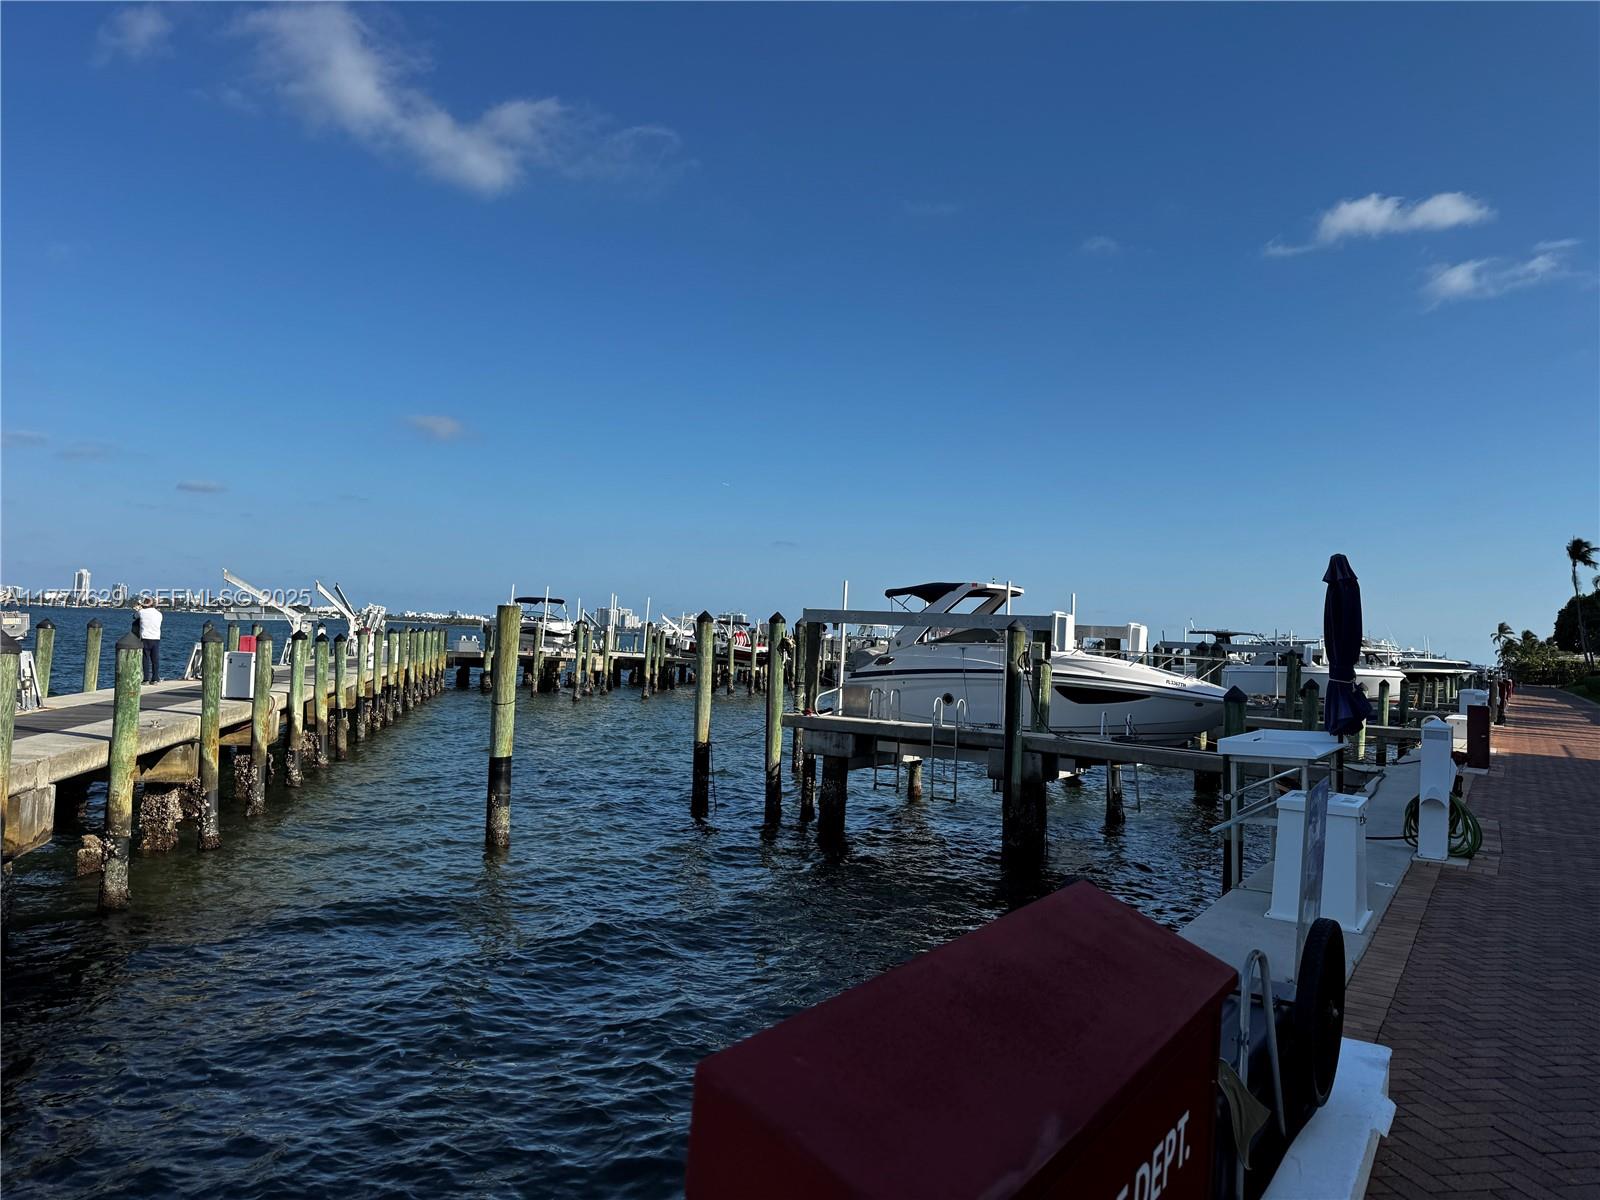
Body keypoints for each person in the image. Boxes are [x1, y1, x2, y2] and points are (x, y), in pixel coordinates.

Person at [137, 596, 163, 684]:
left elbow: (134, 616)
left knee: (145, 659)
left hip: (145, 638)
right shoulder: (159, 614)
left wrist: (139, 608)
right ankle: (155, 678)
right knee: (155, 659)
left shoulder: (141, 612)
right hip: (156, 638)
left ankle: (146, 679)